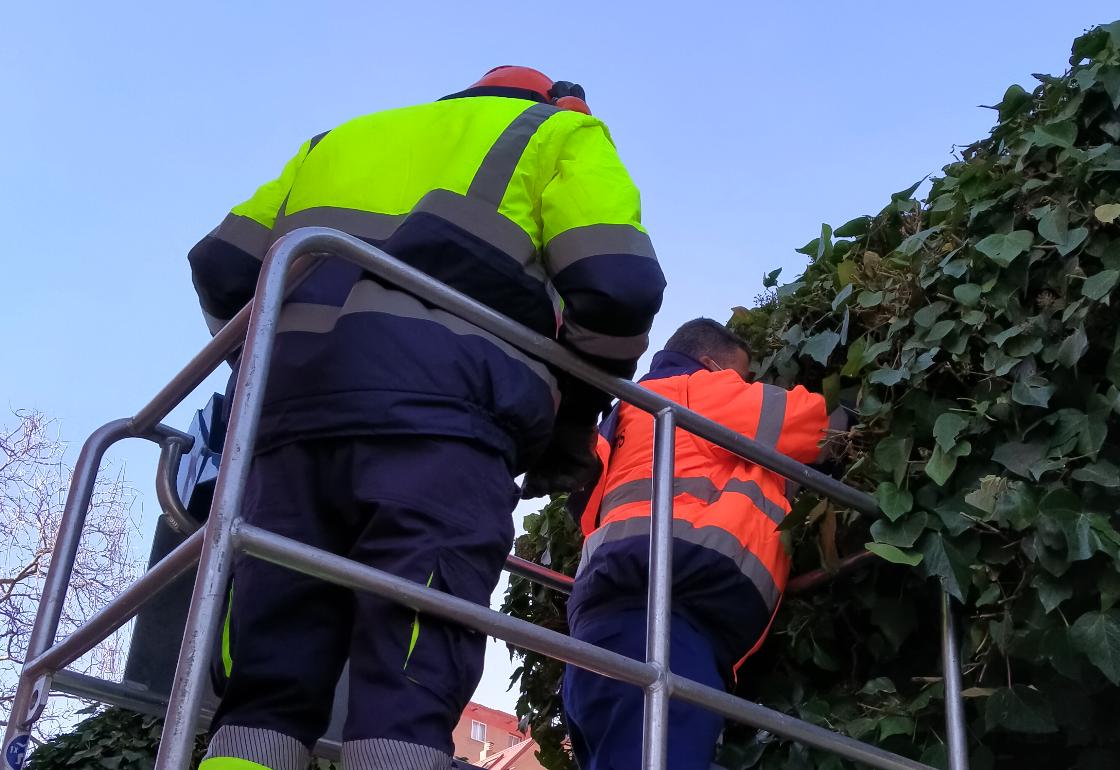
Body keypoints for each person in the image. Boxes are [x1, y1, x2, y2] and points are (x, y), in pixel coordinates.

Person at [187, 66, 665, 770]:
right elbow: (618, 288)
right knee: (406, 687)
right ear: (555, 100)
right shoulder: (558, 131)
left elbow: (222, 264)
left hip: (287, 427)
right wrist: (571, 425)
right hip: (443, 430)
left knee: (265, 688)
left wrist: (286, 370)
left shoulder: (339, 139)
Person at [562, 318, 843, 770]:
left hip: (602, 630)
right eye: (744, 377)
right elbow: (818, 425)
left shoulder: (620, 421)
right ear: (712, 364)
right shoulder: (693, 391)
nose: (747, 386)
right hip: (664, 624)